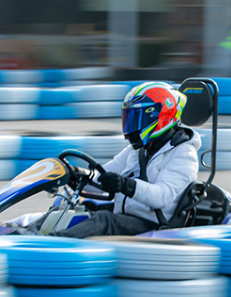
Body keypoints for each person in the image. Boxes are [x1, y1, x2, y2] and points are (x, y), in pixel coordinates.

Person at [50, 81, 202, 238]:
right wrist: (77, 174)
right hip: (126, 217)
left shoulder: (184, 154)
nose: (132, 125)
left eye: (138, 118)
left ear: (161, 116)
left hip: (154, 225)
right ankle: (30, 232)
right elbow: (104, 175)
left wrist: (125, 185)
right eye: (130, 118)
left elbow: (162, 196)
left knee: (105, 220)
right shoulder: (138, 150)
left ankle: (54, 245)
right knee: (79, 209)